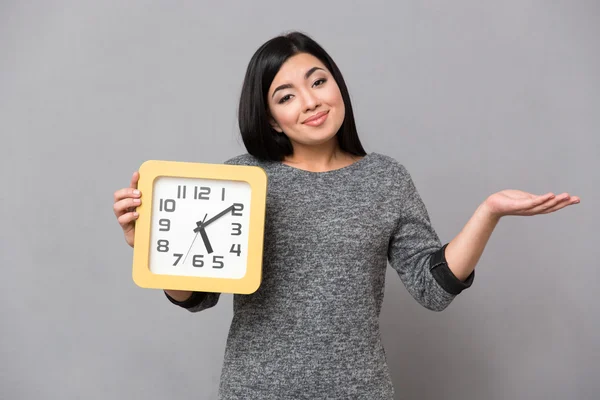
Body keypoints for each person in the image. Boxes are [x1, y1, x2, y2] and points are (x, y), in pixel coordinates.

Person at [112, 31, 580, 399]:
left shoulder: (385, 179)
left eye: (318, 81)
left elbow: (433, 288)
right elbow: (197, 294)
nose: (311, 101)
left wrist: (489, 212)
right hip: (254, 392)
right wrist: (155, 246)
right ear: (272, 117)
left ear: (337, 85)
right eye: (286, 95)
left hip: (360, 392)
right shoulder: (240, 179)